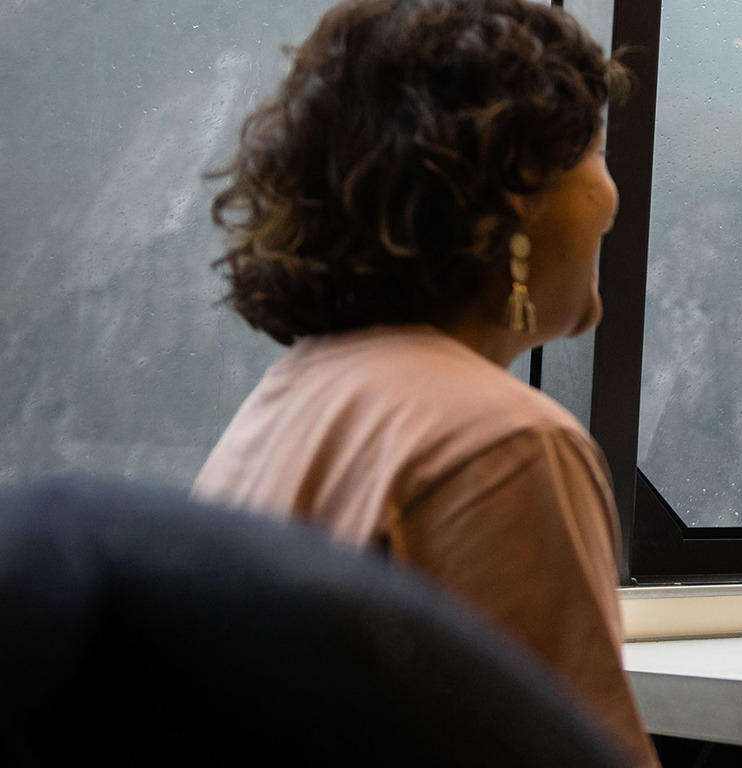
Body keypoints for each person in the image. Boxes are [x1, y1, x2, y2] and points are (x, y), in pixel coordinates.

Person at [191, 1, 659, 764]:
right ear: (520, 181)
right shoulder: (503, 444)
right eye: (597, 151)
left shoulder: (293, 396)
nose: (612, 198)